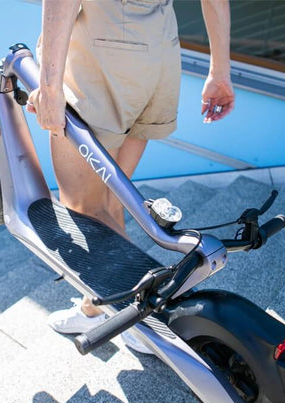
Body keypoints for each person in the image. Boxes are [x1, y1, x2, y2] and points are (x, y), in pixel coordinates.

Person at [26, 0, 234, 353]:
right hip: (159, 55)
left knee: (84, 209)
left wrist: (49, 86)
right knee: (111, 198)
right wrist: (220, 71)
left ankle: (142, 323)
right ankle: (95, 309)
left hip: (103, 61)